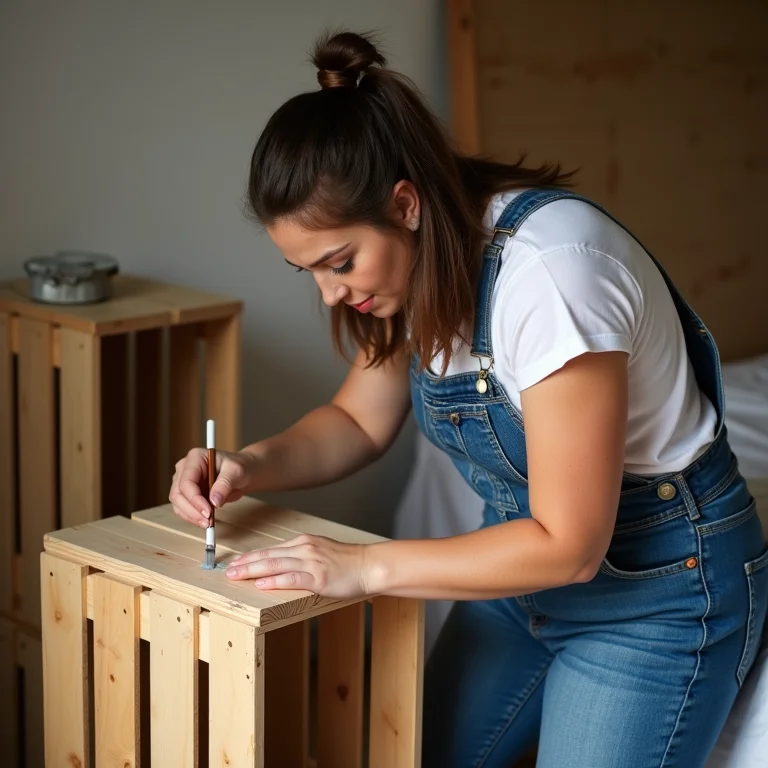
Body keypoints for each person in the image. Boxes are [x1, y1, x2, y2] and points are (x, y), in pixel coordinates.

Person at [169, 29, 768, 768]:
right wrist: (247, 464)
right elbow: (357, 419)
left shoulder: (552, 274)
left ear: (404, 204)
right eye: (310, 272)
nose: (331, 293)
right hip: (521, 574)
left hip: (659, 592)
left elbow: (570, 544)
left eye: (340, 262)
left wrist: (364, 566)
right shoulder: (414, 268)